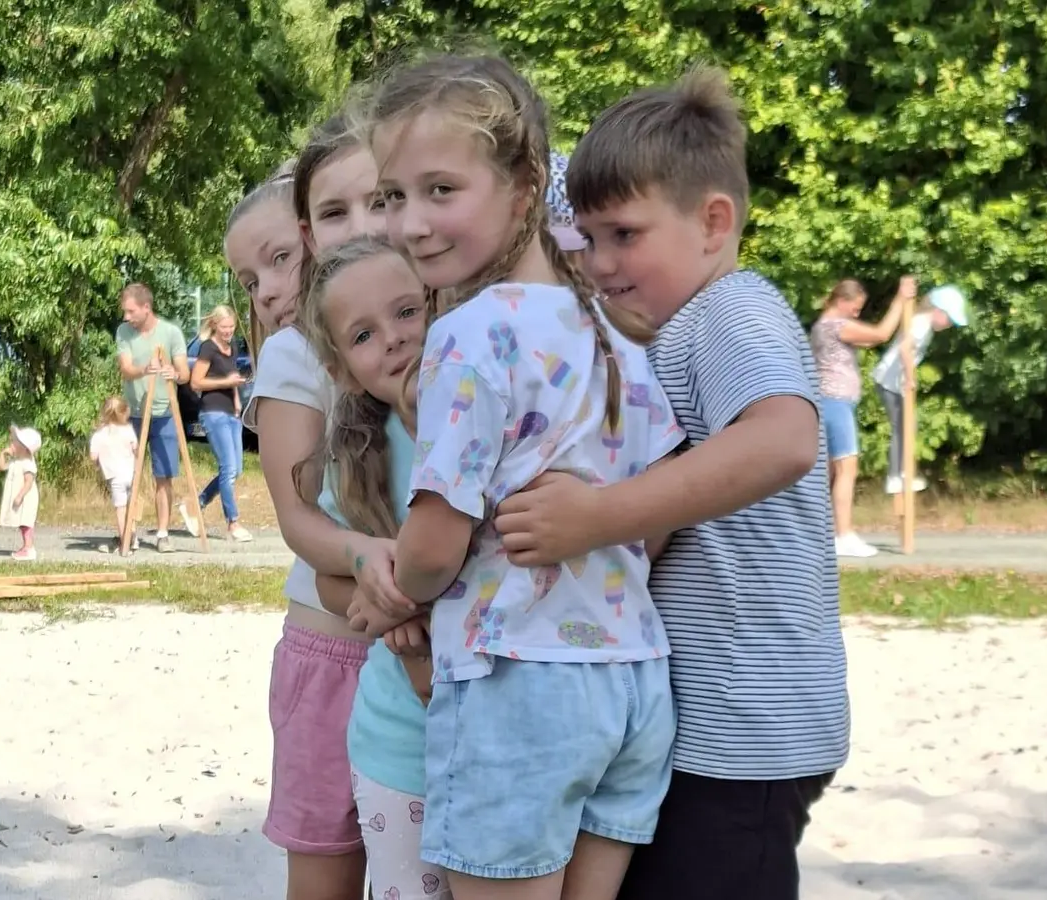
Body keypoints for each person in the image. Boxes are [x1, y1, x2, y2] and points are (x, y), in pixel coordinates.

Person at [493, 65, 849, 900]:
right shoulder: (673, 327)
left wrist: (597, 518)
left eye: (624, 234)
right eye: (586, 239)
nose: (600, 262)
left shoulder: (732, 311)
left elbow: (785, 440)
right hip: (704, 726)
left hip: (746, 732)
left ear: (714, 223)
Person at [346, 54, 683, 900]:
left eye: (441, 190)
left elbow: (435, 545)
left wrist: (393, 591)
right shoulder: (615, 330)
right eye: (393, 195)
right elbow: (659, 506)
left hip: (517, 683)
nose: (412, 222)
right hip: (631, 677)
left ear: (526, 184)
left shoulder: (469, 336)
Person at [226, 139, 383, 899]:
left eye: (277, 260)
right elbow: (300, 516)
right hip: (335, 653)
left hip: (417, 652)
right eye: (249, 280)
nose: (265, 291)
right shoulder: (294, 356)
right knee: (325, 870)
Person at [299, 235, 446, 900]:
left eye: (407, 311)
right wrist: (378, 599)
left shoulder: (498, 417)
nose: (394, 339)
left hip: (509, 734)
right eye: (363, 335)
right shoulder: (363, 456)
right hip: (401, 745)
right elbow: (329, 579)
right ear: (343, 369)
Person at [809, 277, 911, 557]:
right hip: (835, 403)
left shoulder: (822, 326)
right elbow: (880, 334)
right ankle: (843, 535)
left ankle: (829, 534)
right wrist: (900, 299)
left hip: (831, 403)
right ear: (841, 301)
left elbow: (869, 340)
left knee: (833, 471)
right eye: (855, 308)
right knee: (847, 469)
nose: (856, 314)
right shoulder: (835, 326)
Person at [115, 283, 193, 552]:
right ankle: (128, 532)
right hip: (133, 415)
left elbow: (185, 374)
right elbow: (126, 369)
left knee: (164, 476)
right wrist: (145, 369)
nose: (127, 317)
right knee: (128, 475)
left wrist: (174, 373)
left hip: (164, 414)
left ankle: (162, 533)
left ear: (146, 307)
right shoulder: (124, 332)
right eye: (125, 312)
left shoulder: (171, 333)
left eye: (131, 311)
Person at [870, 284, 968, 495]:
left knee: (908, 426)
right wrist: (910, 376)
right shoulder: (921, 324)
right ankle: (896, 477)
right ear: (939, 311)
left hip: (895, 383)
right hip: (889, 381)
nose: (949, 325)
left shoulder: (925, 326)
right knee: (903, 427)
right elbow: (905, 349)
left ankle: (903, 473)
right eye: (949, 320)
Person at [184, 305, 252, 542]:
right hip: (213, 412)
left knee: (236, 470)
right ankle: (233, 522)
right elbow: (196, 383)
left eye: (232, 327)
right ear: (214, 325)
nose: (228, 331)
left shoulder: (232, 347)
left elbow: (231, 377)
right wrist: (225, 383)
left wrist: (236, 400)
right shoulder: (208, 348)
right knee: (228, 468)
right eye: (224, 327)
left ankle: (197, 504)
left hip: (232, 414)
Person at [90, 395, 140, 554]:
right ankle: (133, 536)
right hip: (131, 474)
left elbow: (93, 456)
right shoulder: (128, 430)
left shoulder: (100, 434)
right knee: (131, 505)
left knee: (120, 509)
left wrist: (98, 463)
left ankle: (124, 542)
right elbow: (136, 448)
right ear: (124, 413)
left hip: (115, 476)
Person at [0, 424, 41, 561]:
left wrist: (20, 496)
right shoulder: (16, 461)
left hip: (26, 498)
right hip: (19, 497)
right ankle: (26, 547)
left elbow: (28, 481)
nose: (11, 444)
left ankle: (29, 548)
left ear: (24, 447)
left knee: (26, 522)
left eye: (15, 442)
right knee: (21, 523)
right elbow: (1, 467)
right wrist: (3, 454)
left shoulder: (28, 463)